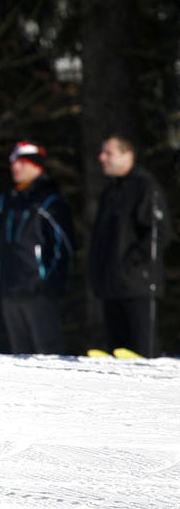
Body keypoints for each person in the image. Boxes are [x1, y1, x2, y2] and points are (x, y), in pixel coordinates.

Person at [88, 134, 170, 358]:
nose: (102, 157)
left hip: (138, 285)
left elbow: (158, 233)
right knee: (118, 351)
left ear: (127, 156)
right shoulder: (110, 191)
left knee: (142, 351)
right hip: (111, 285)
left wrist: (133, 262)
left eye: (109, 153)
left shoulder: (145, 187)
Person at [0, 141, 74, 355]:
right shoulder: (6, 200)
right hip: (9, 289)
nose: (15, 168)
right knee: (19, 354)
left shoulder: (49, 201)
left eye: (22, 163)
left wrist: (51, 283)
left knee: (47, 353)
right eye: (13, 163)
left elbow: (62, 246)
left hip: (38, 290)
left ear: (37, 166)